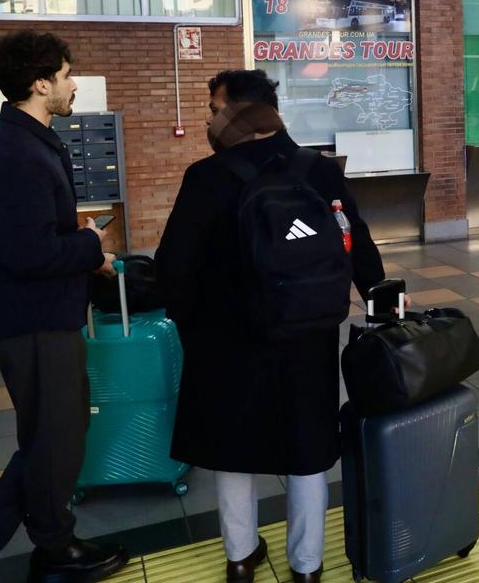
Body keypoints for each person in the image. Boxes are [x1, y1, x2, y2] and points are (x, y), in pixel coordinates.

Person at [156, 70, 385, 583]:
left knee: (230, 445)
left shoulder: (207, 177)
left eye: (215, 108)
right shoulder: (318, 171)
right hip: (306, 336)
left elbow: (174, 266)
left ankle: (240, 558)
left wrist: (191, 325)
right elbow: (358, 244)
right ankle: (306, 566)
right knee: (307, 444)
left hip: (226, 339)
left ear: (240, 111)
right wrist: (377, 296)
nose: (208, 118)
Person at [0, 31, 126, 583]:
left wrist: (78, 244)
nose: (73, 84)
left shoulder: (27, 142)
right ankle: (40, 551)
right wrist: (89, 247)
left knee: (52, 436)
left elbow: (33, 236)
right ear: (41, 83)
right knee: (55, 438)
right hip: (33, 321)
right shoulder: (15, 152)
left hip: (40, 316)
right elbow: (29, 253)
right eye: (65, 74)